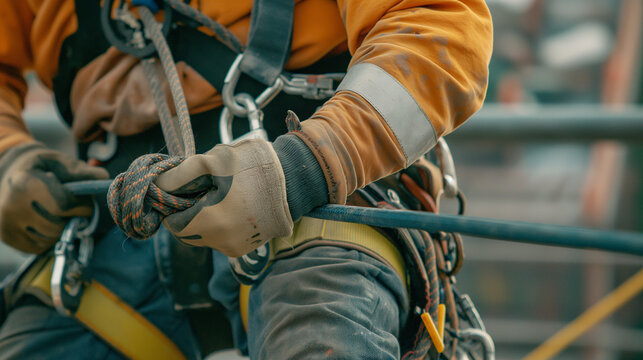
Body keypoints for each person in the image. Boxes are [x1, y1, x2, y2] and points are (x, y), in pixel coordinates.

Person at [0, 0, 493, 359]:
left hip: (316, 207)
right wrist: (8, 160)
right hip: (119, 226)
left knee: (321, 340)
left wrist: (308, 166)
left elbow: (438, 26)